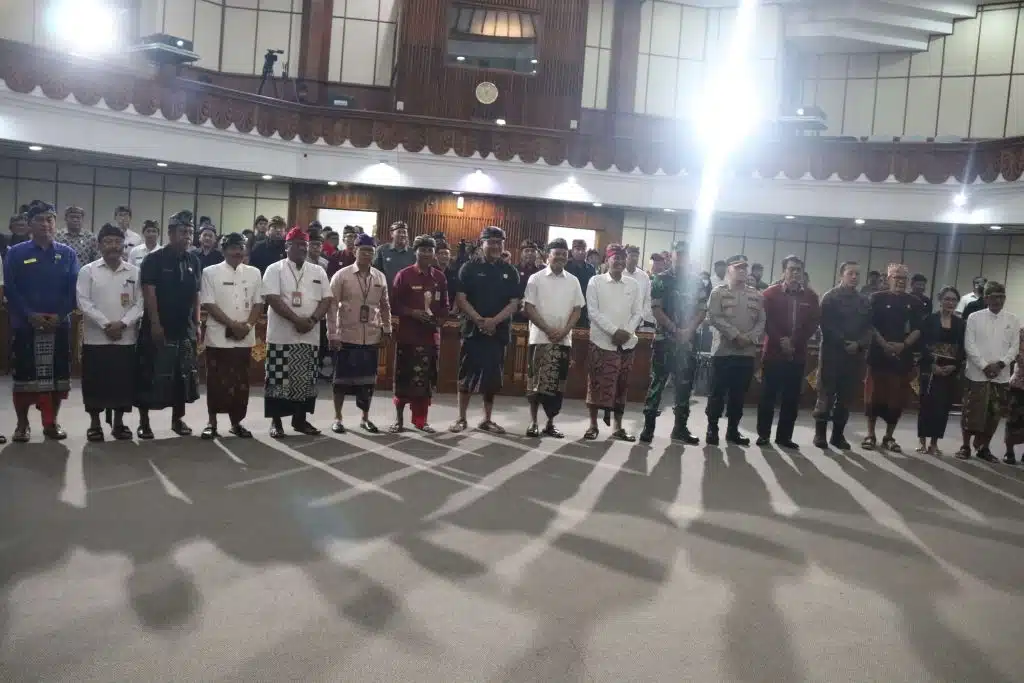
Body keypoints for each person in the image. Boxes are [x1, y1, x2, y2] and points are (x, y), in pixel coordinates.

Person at [3, 201, 79, 442]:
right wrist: (30, 314)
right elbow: (11, 289)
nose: (45, 224)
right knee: (24, 378)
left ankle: (51, 422)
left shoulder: (67, 253)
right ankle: (22, 424)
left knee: (58, 378)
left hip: (59, 325)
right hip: (26, 325)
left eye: (50, 219)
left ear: (55, 223)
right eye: (39, 219)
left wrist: (59, 314)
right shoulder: (16, 253)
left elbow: (74, 289)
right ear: (29, 224)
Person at [135, 210, 201, 439]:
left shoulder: (193, 260)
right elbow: (149, 293)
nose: (187, 236)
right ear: (171, 233)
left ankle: (177, 419)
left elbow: (196, 294)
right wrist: (155, 323)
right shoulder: (154, 259)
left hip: (185, 327)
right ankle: (144, 422)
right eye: (183, 232)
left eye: (190, 232)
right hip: (159, 326)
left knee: (182, 375)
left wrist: (197, 323)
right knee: (150, 373)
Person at [261, 228, 333, 438]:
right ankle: (276, 422)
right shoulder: (274, 269)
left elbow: (327, 299)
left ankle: (300, 420)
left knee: (305, 379)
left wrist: (312, 320)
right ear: (287, 246)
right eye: (298, 244)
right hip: (281, 335)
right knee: (278, 380)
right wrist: (296, 319)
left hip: (309, 335)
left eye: (305, 245)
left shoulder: (318, 271)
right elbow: (272, 298)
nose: (302, 248)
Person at [76, 224, 144, 441]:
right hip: (96, 338)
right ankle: (95, 424)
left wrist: (123, 324)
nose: (113, 246)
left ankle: (119, 423)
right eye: (108, 242)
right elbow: (83, 302)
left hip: (125, 338)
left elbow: (140, 303)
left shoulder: (134, 272)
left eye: (117, 241)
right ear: (99, 245)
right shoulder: (88, 271)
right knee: (95, 382)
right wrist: (106, 324)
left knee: (122, 382)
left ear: (124, 245)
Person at [450, 226, 520, 433]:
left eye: (499, 242)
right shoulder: (469, 268)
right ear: (482, 244)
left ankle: (486, 419)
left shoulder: (510, 271)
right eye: (491, 242)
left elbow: (514, 303)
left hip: (498, 333)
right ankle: (461, 418)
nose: (496, 246)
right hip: (473, 331)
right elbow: (461, 299)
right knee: (466, 374)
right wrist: (480, 320)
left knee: (492, 378)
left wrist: (494, 322)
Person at [640, 240, 706, 444]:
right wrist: (675, 330)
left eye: (686, 254)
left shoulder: (697, 281)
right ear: (672, 255)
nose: (682, 257)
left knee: (684, 386)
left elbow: (702, 310)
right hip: (664, 341)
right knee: (657, 384)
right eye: (679, 253)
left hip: (687, 343)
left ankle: (680, 429)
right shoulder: (660, 279)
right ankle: (648, 428)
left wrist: (688, 330)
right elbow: (656, 309)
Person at [199, 232, 263, 439]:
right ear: (223, 250)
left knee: (241, 382)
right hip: (218, 336)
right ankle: (212, 423)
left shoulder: (254, 273)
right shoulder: (210, 272)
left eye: (241, 248)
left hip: (245, 335)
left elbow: (258, 303)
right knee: (215, 381)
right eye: (233, 248)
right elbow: (208, 303)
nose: (238, 252)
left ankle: (237, 423)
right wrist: (232, 324)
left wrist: (248, 325)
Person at [327, 233, 391, 434]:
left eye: (370, 251)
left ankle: (365, 418)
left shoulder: (379, 277)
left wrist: (387, 329)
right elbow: (331, 307)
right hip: (346, 335)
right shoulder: (341, 275)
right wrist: (332, 334)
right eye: (363, 250)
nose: (367, 254)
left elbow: (385, 306)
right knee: (340, 381)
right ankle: (338, 418)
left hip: (371, 336)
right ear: (355, 251)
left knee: (368, 382)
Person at [523, 238, 584, 438]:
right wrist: (548, 329)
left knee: (558, 385)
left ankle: (550, 423)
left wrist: (565, 330)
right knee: (535, 384)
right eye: (556, 254)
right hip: (540, 338)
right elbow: (529, 307)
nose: (560, 257)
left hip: (563, 340)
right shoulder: (536, 278)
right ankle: (533, 422)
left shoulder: (573, 281)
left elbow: (577, 310)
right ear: (548, 256)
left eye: (564, 255)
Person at [757, 255, 820, 449]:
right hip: (773, 353)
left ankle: (784, 437)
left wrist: (794, 341)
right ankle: (763, 435)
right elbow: (765, 321)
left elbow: (813, 323)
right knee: (768, 396)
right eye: (791, 269)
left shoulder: (811, 296)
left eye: (798, 270)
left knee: (791, 398)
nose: (795, 273)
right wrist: (780, 340)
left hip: (797, 353)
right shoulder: (769, 294)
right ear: (783, 271)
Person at [584, 244, 643, 441]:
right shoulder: (595, 281)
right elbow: (593, 312)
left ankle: (618, 427)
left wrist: (626, 332)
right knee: (595, 383)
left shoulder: (633, 284)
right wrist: (614, 331)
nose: (619, 261)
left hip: (626, 343)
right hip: (601, 342)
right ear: (607, 260)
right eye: (615, 257)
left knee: (622, 385)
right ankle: (593, 425)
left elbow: (638, 313)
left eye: (622, 258)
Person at [861, 263, 923, 452]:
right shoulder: (876, 298)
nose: (900, 281)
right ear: (888, 279)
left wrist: (903, 345)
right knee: (873, 397)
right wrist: (884, 345)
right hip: (878, 355)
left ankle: (889, 437)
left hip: (902, 357)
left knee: (896, 399)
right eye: (896, 277)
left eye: (904, 278)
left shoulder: (914, 302)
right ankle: (870, 435)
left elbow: (918, 329)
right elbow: (870, 325)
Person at [390, 235, 448, 432]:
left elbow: (444, 306)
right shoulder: (404, 275)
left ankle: (421, 421)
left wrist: (438, 321)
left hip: (429, 338)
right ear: (415, 252)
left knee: (425, 383)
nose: (426, 253)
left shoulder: (439, 277)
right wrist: (413, 313)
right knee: (403, 381)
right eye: (422, 250)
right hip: (407, 338)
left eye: (430, 250)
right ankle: (398, 420)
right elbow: (394, 304)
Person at [706, 254, 764, 446]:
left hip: (746, 353)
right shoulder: (718, 292)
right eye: (737, 267)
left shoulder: (757, 295)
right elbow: (714, 316)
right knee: (717, 393)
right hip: (723, 352)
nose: (742, 271)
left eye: (744, 268)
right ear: (729, 270)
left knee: (738, 395)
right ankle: (712, 428)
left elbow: (761, 321)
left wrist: (749, 338)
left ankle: (733, 431)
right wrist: (735, 335)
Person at [813, 261, 872, 449]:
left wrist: (859, 344)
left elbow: (869, 328)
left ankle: (837, 436)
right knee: (826, 395)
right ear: (841, 275)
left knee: (846, 398)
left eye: (857, 274)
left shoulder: (864, 301)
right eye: (850, 273)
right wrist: (845, 343)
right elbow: (826, 325)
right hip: (832, 355)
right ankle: (820, 435)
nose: (854, 277)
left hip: (854, 358)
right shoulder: (830, 297)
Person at [958, 281, 1018, 462]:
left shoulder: (1013, 319)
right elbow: (969, 345)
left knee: (994, 414)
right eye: (993, 297)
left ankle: (984, 448)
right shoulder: (974, 317)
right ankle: (965, 446)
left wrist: (1000, 365)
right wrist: (984, 366)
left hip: (1001, 375)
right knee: (971, 411)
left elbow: (1014, 347)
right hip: (977, 374)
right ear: (985, 298)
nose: (998, 300)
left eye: (1001, 297)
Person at [916, 286, 965, 455]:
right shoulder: (929, 320)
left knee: (942, 408)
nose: (950, 303)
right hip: (930, 368)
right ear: (940, 300)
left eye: (954, 300)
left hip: (949, 370)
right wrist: (931, 364)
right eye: (947, 299)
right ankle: (922, 441)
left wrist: (954, 365)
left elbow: (963, 348)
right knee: (926, 405)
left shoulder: (960, 323)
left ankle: (934, 443)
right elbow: (921, 344)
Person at [373, 221, 415, 293]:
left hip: (406, 293)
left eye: (404, 232)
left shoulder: (413, 253)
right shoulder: (382, 250)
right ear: (392, 234)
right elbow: (375, 271)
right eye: (399, 232)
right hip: (386, 292)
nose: (402, 235)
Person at [1002, 327, 1024, 465]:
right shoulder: (1021, 333)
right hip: (1019, 386)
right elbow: (1018, 356)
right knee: (1013, 420)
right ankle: (1009, 452)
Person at [565, 238, 597, 327]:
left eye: (583, 249)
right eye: (578, 249)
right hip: (568, 305)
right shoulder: (566, 266)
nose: (581, 252)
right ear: (572, 251)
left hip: (584, 306)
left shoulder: (591, 268)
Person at [623, 244, 653, 325]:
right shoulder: (620, 274)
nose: (635, 259)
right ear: (626, 257)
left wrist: (641, 317)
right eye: (632, 256)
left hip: (639, 321)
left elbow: (647, 300)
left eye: (636, 256)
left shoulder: (644, 276)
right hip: (620, 320)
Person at [515, 239, 541, 321]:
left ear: (536, 254)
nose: (530, 253)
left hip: (537, 313)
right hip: (517, 313)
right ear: (521, 253)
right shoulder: (514, 270)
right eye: (526, 251)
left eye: (533, 251)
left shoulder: (541, 272)